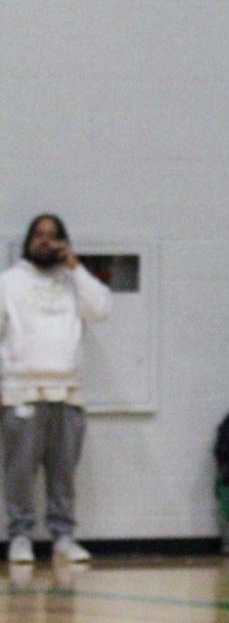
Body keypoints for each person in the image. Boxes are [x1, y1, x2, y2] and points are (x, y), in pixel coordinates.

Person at [0, 214, 111, 567]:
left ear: (64, 242)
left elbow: (101, 309)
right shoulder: (8, 283)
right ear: (28, 241)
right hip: (21, 391)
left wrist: (76, 268)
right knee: (19, 470)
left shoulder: (73, 282)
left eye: (53, 236)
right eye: (38, 235)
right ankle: (20, 536)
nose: (45, 242)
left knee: (63, 470)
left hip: (67, 392)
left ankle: (63, 537)